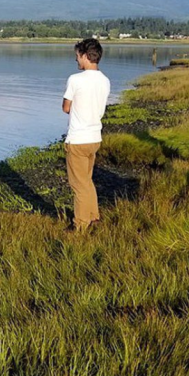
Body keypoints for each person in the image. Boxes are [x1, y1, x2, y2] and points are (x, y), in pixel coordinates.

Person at [62, 38, 111, 231]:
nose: (76, 61)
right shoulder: (105, 80)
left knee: (78, 185)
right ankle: (93, 217)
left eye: (77, 57)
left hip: (78, 139)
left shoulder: (75, 79)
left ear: (84, 56)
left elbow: (66, 108)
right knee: (87, 180)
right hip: (94, 138)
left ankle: (80, 225)